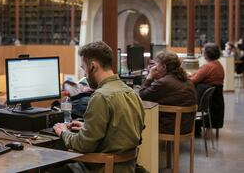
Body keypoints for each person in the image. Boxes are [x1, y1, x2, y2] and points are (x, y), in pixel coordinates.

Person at [53, 41, 145, 173]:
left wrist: (63, 133)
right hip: (128, 167)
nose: (84, 75)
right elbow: (120, 132)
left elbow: (83, 145)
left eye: (84, 68)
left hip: (103, 167)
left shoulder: (100, 96)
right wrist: (86, 127)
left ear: (92, 66)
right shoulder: (131, 93)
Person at [139, 51, 197, 134]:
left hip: (170, 127)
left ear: (164, 66)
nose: (155, 67)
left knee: (138, 119)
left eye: (156, 65)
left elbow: (142, 95)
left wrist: (149, 77)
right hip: (186, 125)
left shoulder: (164, 82)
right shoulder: (186, 79)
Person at [190, 43, 225, 133]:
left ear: (206, 54)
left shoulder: (208, 66)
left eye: (203, 52)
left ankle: (191, 127)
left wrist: (186, 77)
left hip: (206, 100)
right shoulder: (218, 65)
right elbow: (198, 74)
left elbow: (194, 80)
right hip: (215, 98)